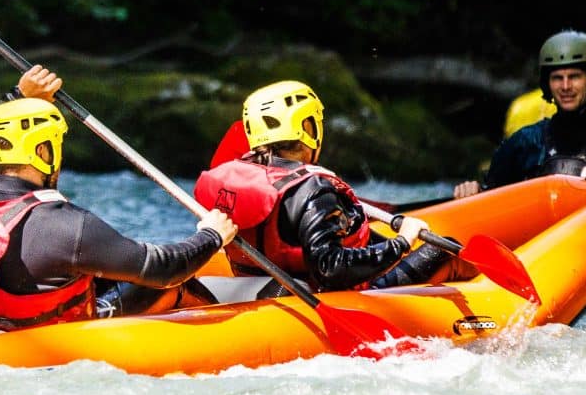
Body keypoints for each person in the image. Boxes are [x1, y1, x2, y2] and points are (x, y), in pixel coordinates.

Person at [0, 97, 239, 329]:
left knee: (105, 271)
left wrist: (21, 93)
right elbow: (160, 268)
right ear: (43, 150)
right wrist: (211, 235)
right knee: (169, 286)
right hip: (39, 335)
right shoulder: (65, 226)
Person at [194, 79, 456, 292]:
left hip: (262, 287)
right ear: (307, 128)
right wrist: (402, 242)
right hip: (318, 294)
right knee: (446, 247)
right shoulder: (313, 188)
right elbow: (331, 269)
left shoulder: (239, 175)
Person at [453, 31, 586, 204]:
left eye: (574, 76)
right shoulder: (521, 145)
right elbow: (491, 201)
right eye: (557, 78)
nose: (565, 86)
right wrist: (474, 193)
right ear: (547, 84)